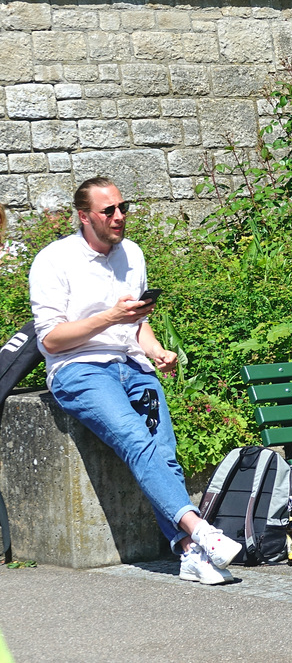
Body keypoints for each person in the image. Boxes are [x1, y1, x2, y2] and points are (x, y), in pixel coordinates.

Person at [28, 177, 242, 585]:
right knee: (134, 438)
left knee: (163, 453)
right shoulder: (54, 260)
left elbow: (138, 324)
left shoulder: (133, 254)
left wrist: (157, 351)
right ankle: (201, 530)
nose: (119, 216)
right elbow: (50, 339)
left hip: (132, 364)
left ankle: (188, 552)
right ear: (84, 216)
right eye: (108, 211)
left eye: (123, 207)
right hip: (79, 368)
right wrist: (109, 317)